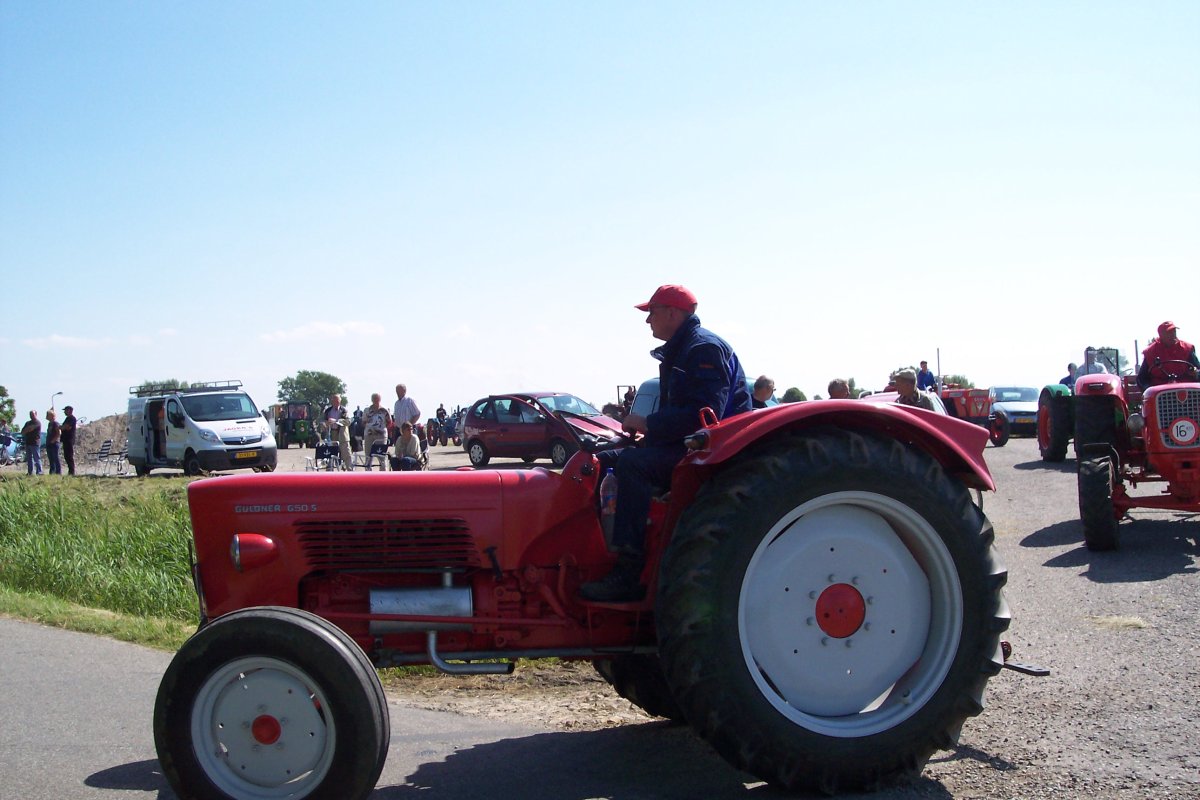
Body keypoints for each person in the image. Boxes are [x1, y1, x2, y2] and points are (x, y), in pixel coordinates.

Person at [579, 284, 751, 602]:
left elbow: (705, 416)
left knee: (632, 465)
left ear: (672, 313)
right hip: (690, 443)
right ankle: (593, 550)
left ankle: (629, 572)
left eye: (651, 313)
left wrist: (648, 423)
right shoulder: (684, 348)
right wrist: (650, 433)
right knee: (603, 459)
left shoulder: (703, 349)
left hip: (712, 451)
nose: (648, 321)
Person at [1138, 321, 1200, 389]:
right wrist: (1149, 389)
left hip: (1186, 391)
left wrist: (1196, 373)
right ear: (1161, 335)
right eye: (1169, 332)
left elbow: (1197, 369)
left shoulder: (1187, 349)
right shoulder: (1150, 352)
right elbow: (1141, 378)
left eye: (1174, 331)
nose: (1173, 335)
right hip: (1160, 392)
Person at [361, 393, 391, 470]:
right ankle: (368, 473)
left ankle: (383, 473)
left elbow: (389, 422)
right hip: (369, 435)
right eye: (374, 399)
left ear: (380, 399)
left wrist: (381, 429)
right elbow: (363, 422)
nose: (376, 400)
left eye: (377, 399)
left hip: (381, 436)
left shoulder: (385, 410)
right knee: (368, 455)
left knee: (381, 456)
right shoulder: (367, 410)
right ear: (372, 400)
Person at [322, 394, 352, 470]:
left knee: (346, 453)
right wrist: (325, 424)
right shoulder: (328, 411)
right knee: (331, 453)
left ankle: (350, 470)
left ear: (340, 401)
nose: (336, 402)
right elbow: (324, 421)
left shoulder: (344, 410)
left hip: (343, 435)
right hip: (332, 434)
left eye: (338, 400)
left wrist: (336, 421)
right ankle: (330, 470)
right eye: (334, 400)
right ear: (332, 401)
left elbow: (348, 422)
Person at [21, 410, 43, 475]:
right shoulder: (27, 423)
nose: (31, 416)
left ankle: (39, 472)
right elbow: (22, 432)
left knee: (36, 458)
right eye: (30, 414)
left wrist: (27, 430)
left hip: (35, 442)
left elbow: (30, 429)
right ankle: (30, 472)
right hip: (28, 442)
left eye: (33, 414)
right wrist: (27, 430)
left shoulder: (37, 422)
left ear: (36, 414)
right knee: (29, 458)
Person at [60, 405, 77, 476]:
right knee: (66, 456)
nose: (64, 412)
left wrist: (61, 427)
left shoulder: (72, 418)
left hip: (69, 439)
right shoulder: (67, 418)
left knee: (69, 456)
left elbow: (67, 427)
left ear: (70, 410)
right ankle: (70, 471)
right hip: (65, 439)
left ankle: (72, 471)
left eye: (66, 410)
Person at [45, 409, 62, 475]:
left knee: (56, 458)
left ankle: (58, 472)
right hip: (49, 443)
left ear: (51, 416)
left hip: (54, 443)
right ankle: (52, 472)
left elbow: (59, 433)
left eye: (47, 415)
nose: (46, 416)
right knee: (51, 458)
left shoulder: (55, 423)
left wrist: (53, 440)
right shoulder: (50, 424)